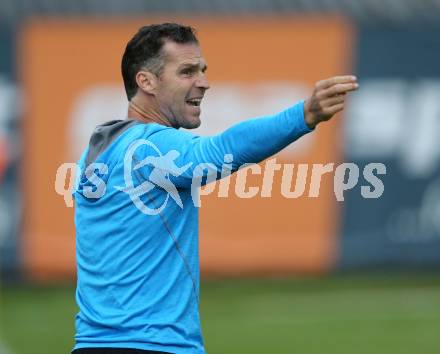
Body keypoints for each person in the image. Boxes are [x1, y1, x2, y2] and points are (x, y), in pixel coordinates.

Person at [72, 23, 358, 354]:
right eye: (187, 72)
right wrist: (304, 115)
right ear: (146, 81)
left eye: (203, 70)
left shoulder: (99, 151)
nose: (204, 83)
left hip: (92, 345)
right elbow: (218, 151)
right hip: (152, 345)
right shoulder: (146, 148)